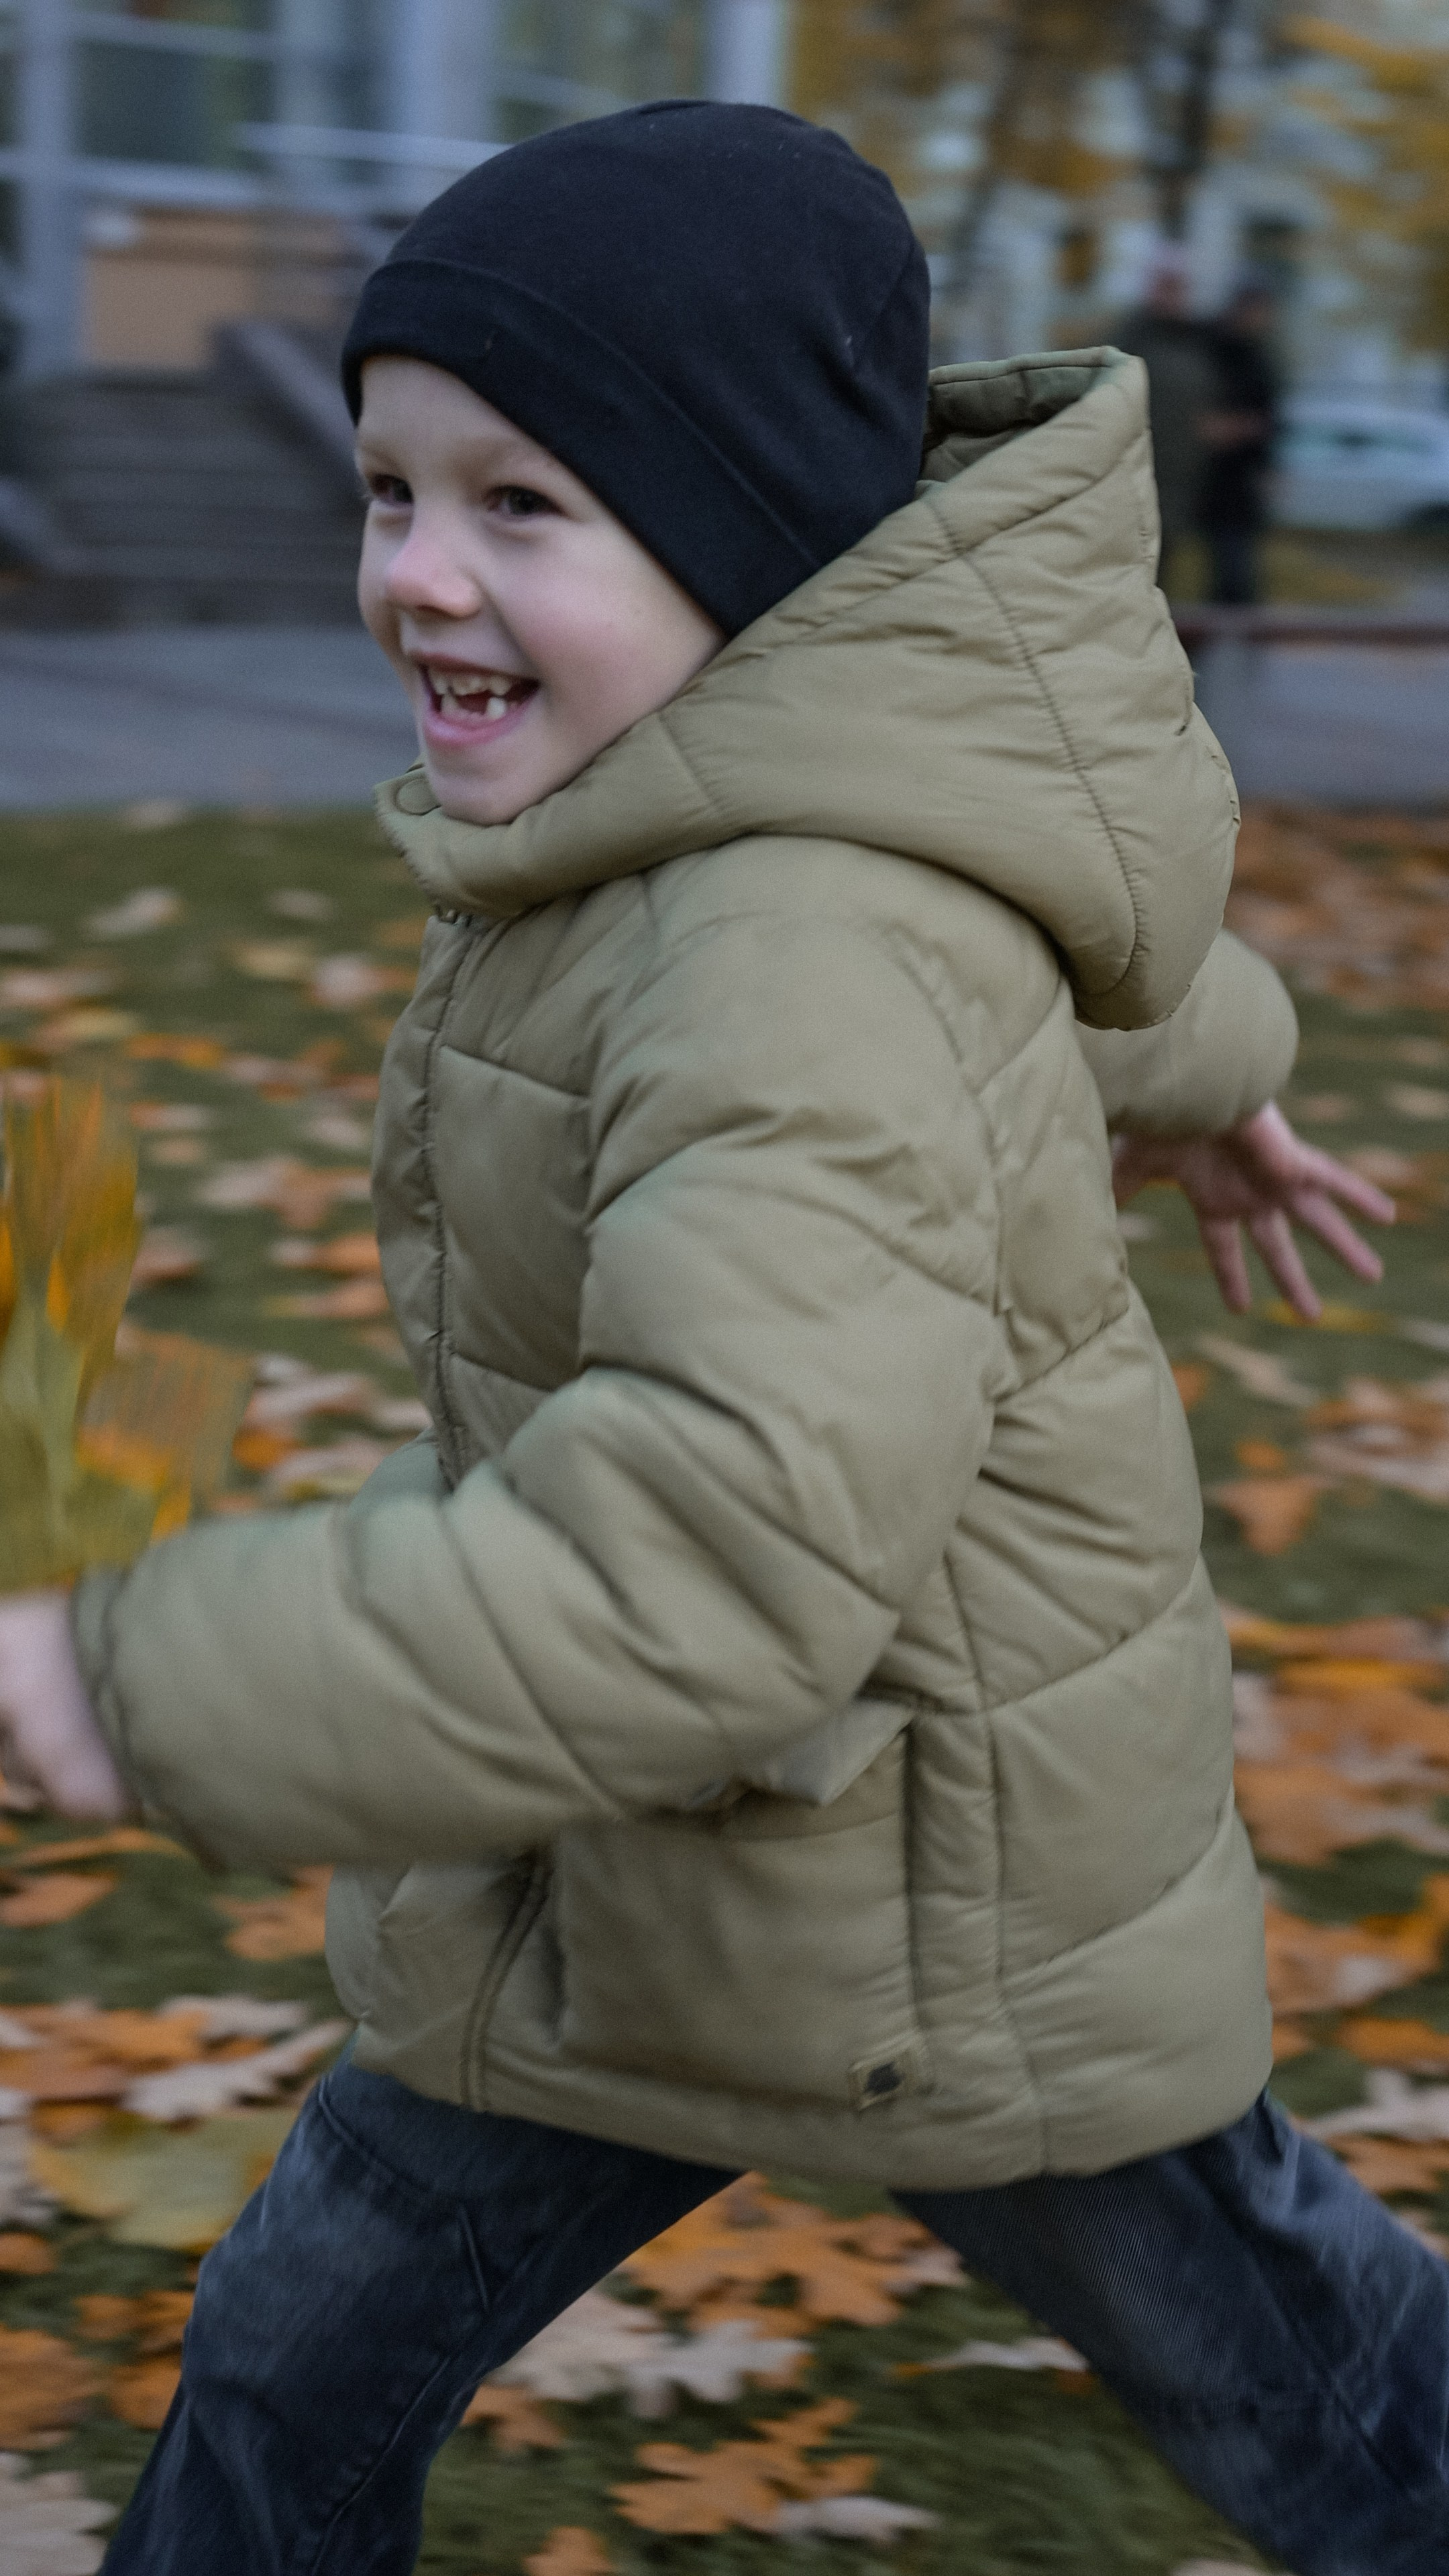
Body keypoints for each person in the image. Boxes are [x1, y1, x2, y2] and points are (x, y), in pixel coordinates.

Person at [0, 105, 1432, 2576]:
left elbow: (711, 1550)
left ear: (749, 532)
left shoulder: (789, 946)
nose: (415, 575)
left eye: (522, 504)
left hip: (927, 1915)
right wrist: (1230, 1091)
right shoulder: (686, 822)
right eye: (385, 488)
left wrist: (140, 1675)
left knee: (1313, 2398)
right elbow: (1089, 994)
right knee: (292, 2359)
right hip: (620, 1876)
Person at [1116, 245, 1222, 588]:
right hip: (1130, 480)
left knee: (1162, 578)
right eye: (1167, 285)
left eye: (1180, 287)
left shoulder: (1201, 342)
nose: (1174, 295)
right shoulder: (1128, 338)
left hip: (1180, 485)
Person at [1201, 266, 1283, 607]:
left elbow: (1269, 417)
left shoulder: (1260, 357)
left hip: (1241, 478)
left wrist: (1268, 464)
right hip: (1209, 476)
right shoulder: (1213, 349)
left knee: (1237, 571)